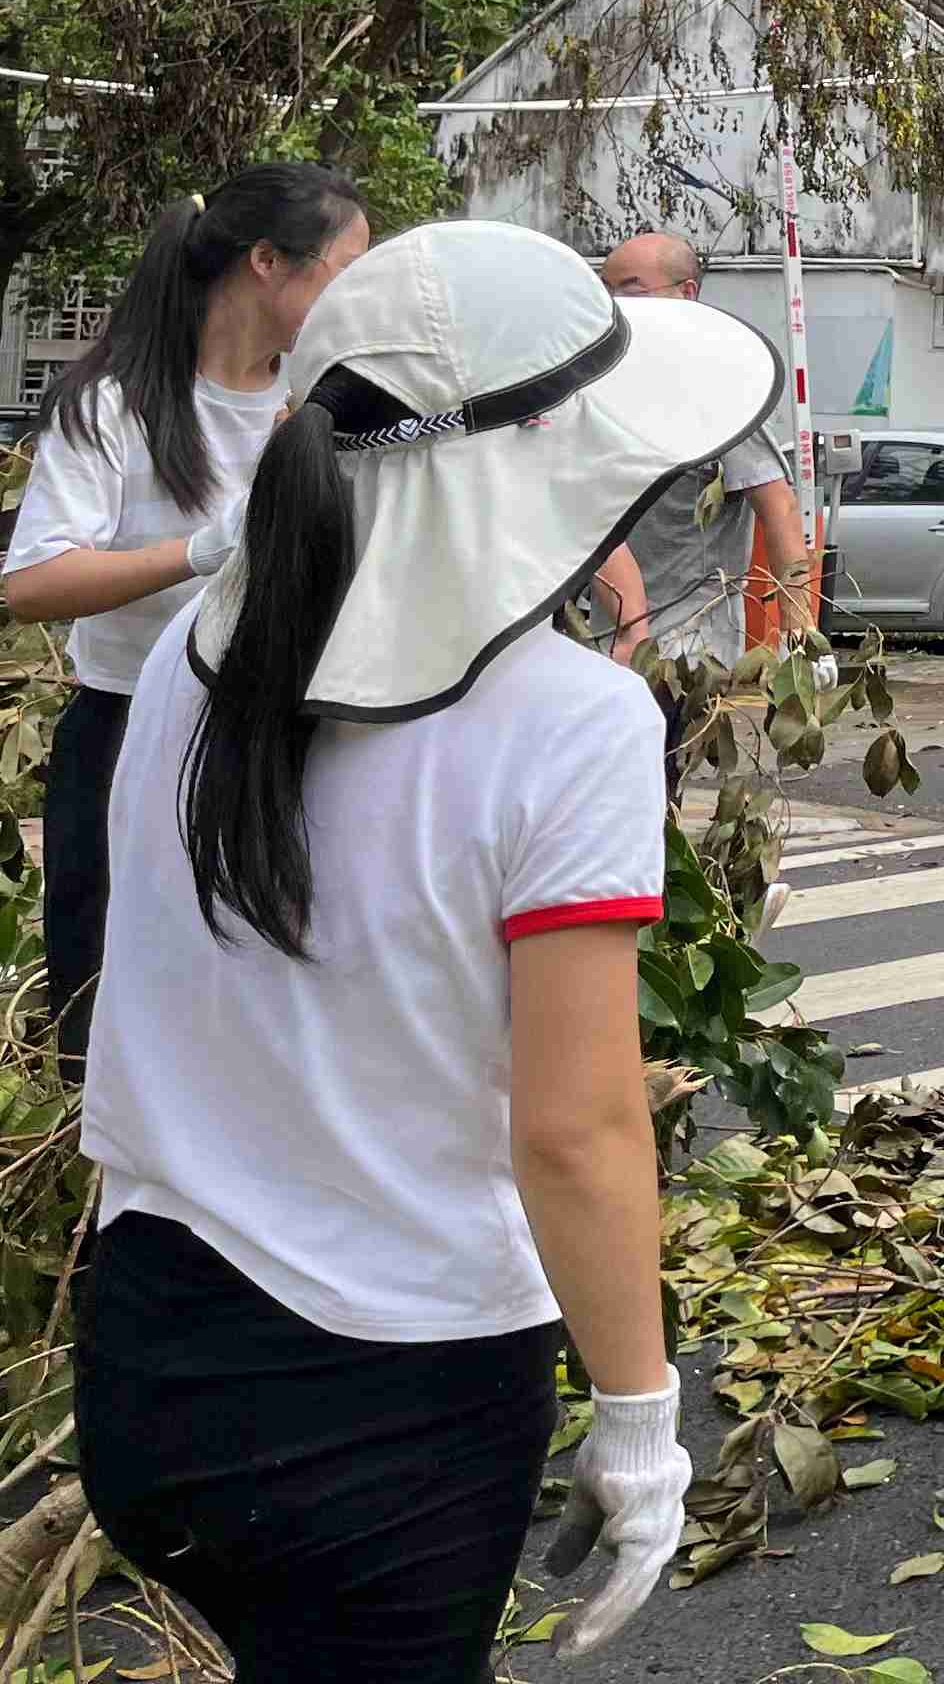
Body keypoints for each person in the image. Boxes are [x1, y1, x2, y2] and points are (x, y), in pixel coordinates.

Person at [76, 219, 781, 1676]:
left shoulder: (190, 665)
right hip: (388, 1408)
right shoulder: (574, 725)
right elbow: (577, 1131)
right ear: (544, 464)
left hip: (147, 1366)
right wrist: (642, 1426)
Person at [3, 164, 369, 1075]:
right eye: (344, 267)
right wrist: (205, 550)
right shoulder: (116, 401)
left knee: (260, 1009)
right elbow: (35, 582)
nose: (358, 294)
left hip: (281, 732)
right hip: (131, 729)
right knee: (104, 1004)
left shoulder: (333, 401)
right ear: (267, 264)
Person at [581, 231, 812, 664]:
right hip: (606, 642)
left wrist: (799, 638)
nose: (615, 305)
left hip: (691, 646)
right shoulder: (600, 389)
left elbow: (777, 507)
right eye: (606, 291)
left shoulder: (720, 395)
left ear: (686, 294)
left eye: (632, 291)